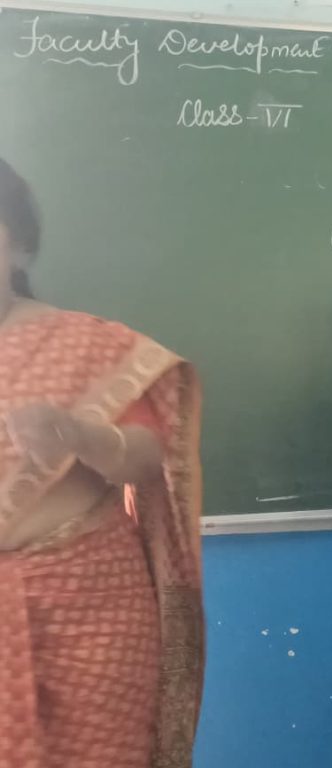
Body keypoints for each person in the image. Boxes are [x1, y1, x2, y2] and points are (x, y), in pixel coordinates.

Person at [0, 158, 204, 767]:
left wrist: (77, 435)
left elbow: (147, 458)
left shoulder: (86, 344)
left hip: (89, 618)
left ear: (19, 242)